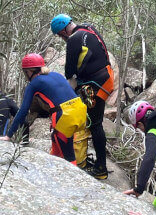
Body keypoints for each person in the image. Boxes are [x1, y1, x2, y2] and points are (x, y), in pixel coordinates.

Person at [51, 13, 114, 179]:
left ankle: (101, 168)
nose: (61, 38)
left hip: (95, 84)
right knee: (92, 121)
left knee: (95, 124)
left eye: (59, 35)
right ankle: (92, 161)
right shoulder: (88, 28)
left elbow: (69, 72)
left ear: (63, 31)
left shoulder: (73, 39)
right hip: (104, 78)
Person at [4, 53, 87, 164]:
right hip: (80, 110)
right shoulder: (56, 75)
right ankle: (53, 166)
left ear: (28, 72)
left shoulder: (34, 84)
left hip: (65, 116)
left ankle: (72, 177)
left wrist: (8, 136)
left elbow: (23, 111)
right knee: (56, 138)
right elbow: (66, 95)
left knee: (69, 157)